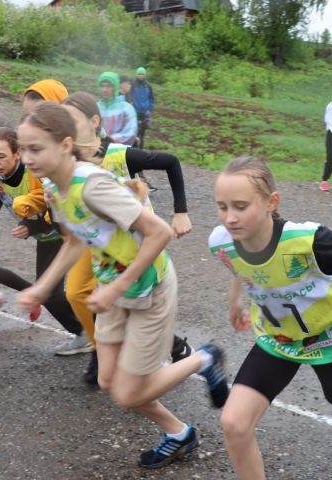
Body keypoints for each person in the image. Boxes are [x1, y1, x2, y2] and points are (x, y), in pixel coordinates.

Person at [17, 102, 227, 469]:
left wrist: (118, 287)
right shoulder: (56, 186)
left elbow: (159, 232)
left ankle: (203, 358)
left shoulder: (91, 185)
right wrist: (42, 286)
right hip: (112, 288)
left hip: (148, 287)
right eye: (23, 149)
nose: (27, 158)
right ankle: (179, 434)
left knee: (129, 394)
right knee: (108, 380)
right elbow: (76, 240)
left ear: (66, 145)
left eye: (36, 148)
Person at [209, 156, 332, 480]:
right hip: (279, 338)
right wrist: (235, 302)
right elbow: (240, 267)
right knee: (233, 422)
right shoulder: (220, 241)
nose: (230, 218)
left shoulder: (307, 239)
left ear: (272, 202)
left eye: (241, 206)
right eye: (222, 207)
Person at [62, 92, 194, 384]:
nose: (65, 128)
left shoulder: (117, 154)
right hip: (97, 243)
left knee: (132, 302)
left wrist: (180, 212)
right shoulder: (65, 160)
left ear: (94, 121)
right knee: (76, 292)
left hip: (135, 243)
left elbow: (171, 162)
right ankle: (101, 351)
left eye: (71, 120)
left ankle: (177, 349)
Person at [0, 126, 91, 355]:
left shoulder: (37, 174)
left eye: (1, 156)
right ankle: (87, 332)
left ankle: (90, 332)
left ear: (17, 154)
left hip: (66, 234)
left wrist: (30, 226)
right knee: (50, 291)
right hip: (47, 237)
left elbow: (58, 214)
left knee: (51, 290)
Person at [97, 72, 138, 147]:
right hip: (97, 152)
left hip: (118, 153)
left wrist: (107, 139)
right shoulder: (96, 107)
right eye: (102, 86)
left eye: (109, 86)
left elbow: (130, 134)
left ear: (115, 88)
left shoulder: (126, 108)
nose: (104, 90)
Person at [131, 67, 154, 149]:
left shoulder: (148, 86)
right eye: (139, 74)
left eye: (142, 74)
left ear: (145, 75)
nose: (141, 76)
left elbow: (151, 98)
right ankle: (134, 149)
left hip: (145, 112)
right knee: (135, 131)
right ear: (136, 75)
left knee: (143, 132)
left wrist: (150, 107)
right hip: (135, 111)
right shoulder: (133, 85)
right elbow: (129, 96)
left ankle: (141, 149)